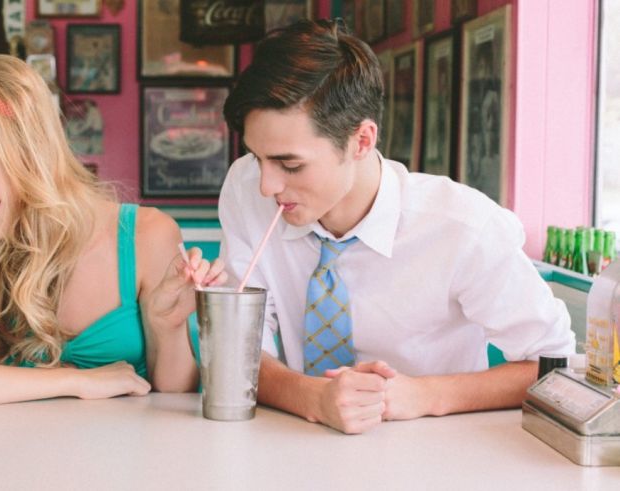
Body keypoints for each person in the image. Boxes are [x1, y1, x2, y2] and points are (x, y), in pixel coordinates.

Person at [219, 20, 574, 434]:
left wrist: (425, 395)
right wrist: (312, 398)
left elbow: (554, 366)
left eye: (290, 165)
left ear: (362, 141)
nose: (267, 185)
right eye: (257, 157)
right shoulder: (247, 187)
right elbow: (240, 350)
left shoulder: (463, 227)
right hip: (295, 443)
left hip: (443, 456)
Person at [0, 54, 225, 408]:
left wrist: (167, 327)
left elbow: (174, 397)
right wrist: (75, 381)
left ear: (29, 150)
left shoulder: (147, 234)